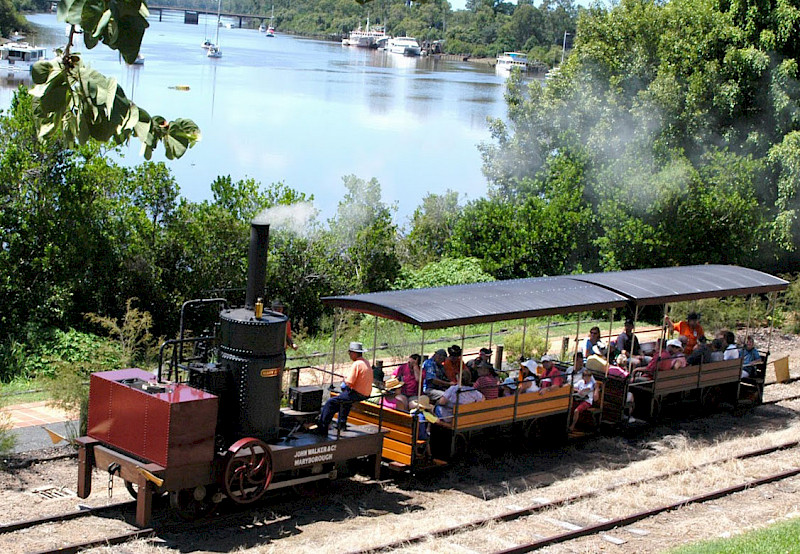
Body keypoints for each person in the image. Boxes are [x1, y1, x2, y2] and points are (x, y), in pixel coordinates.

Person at [315, 342, 372, 434]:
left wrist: (344, 380)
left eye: (349, 352)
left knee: (330, 403)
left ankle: (322, 427)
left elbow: (349, 382)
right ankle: (341, 424)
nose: (349, 354)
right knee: (344, 400)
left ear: (354, 353)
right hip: (365, 393)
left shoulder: (357, 364)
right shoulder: (366, 362)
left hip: (357, 393)